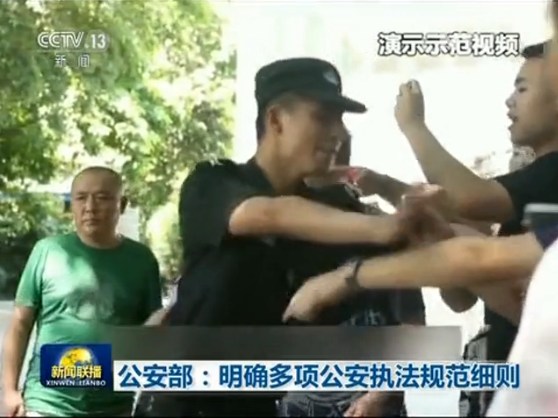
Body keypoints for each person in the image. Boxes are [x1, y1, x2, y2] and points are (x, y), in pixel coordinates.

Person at [146, 57, 442, 417]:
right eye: (323, 117)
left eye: (340, 119)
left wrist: (401, 203)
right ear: (275, 120)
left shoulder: (336, 210)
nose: (338, 133)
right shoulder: (213, 182)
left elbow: (421, 260)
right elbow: (267, 214)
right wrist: (385, 227)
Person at [1, 167, 162, 417]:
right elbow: (20, 324)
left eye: (102, 197)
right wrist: (10, 391)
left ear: (122, 204)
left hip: (114, 408)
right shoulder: (47, 251)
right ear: (72, 206)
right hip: (46, 404)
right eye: (81, 198)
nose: (90, 207)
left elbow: (151, 333)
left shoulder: (142, 260)